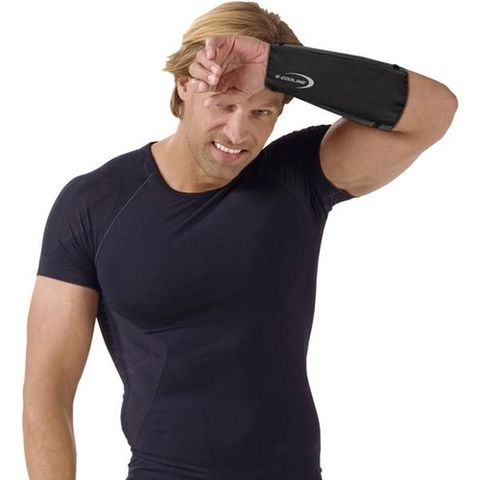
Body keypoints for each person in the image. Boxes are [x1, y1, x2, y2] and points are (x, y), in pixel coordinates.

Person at [23, 2, 457, 479]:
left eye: (261, 111)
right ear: (184, 85)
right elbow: (48, 392)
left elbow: (434, 111)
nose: (239, 132)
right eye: (224, 104)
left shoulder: (300, 176)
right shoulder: (96, 203)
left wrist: (280, 64)